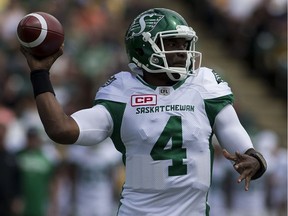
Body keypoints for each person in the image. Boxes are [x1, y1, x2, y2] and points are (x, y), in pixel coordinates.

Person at [20, 7, 267, 216]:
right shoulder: (122, 91)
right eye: (171, 43)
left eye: (184, 43)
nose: (182, 51)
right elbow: (61, 129)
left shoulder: (203, 84)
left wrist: (253, 156)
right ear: (143, 48)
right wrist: (40, 74)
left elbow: (230, 127)